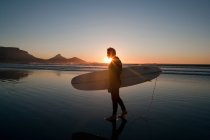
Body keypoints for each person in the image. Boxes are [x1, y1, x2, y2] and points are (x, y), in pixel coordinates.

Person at [106, 47, 127, 121]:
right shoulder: (116, 60)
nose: (107, 54)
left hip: (114, 82)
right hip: (116, 82)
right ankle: (124, 111)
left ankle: (114, 116)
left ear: (111, 53)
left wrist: (111, 85)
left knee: (114, 99)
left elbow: (114, 74)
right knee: (116, 97)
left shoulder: (115, 61)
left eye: (108, 53)